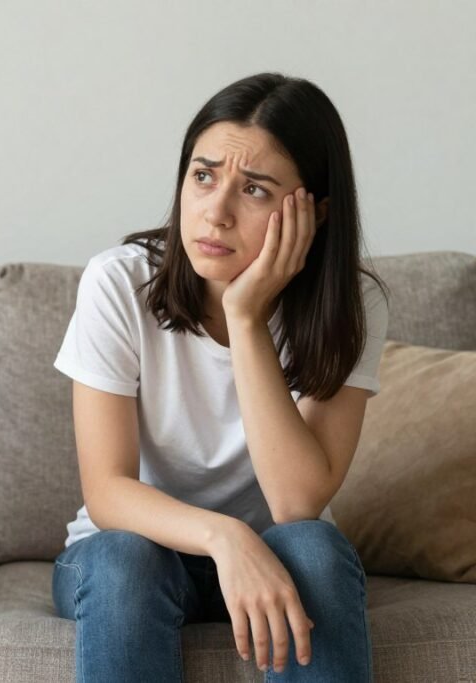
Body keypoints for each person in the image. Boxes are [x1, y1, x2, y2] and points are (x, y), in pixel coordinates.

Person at [52, 73, 387, 681]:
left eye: (254, 189)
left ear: (316, 213)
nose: (216, 212)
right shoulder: (119, 283)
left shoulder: (351, 307)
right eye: (203, 176)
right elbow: (107, 491)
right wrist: (226, 537)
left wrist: (246, 316)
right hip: (138, 552)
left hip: (280, 555)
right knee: (124, 561)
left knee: (313, 547)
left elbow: (296, 502)